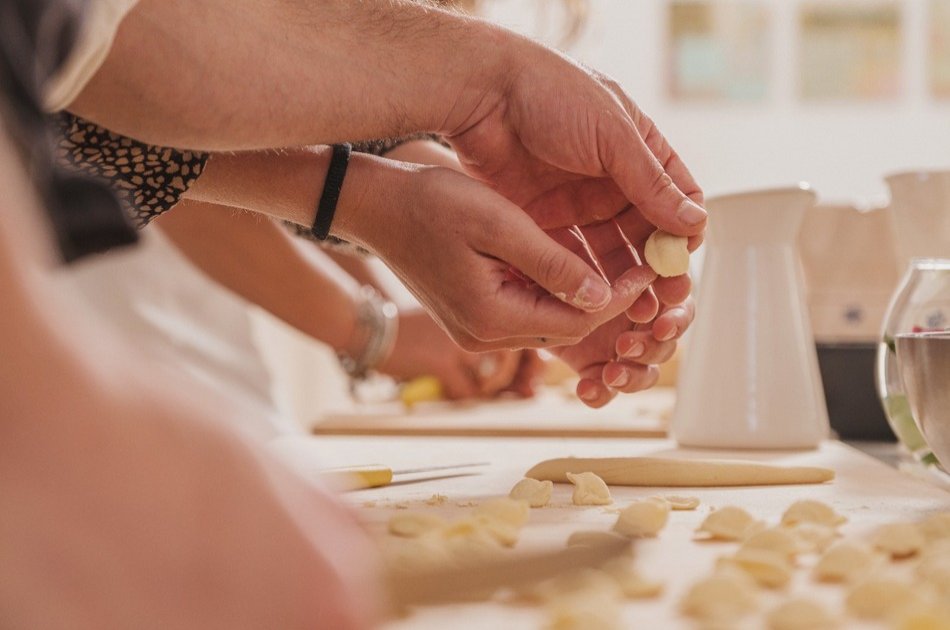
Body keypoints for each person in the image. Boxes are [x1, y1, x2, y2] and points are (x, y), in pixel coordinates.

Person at [50, 0, 705, 405]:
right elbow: (105, 64)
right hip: (82, 360)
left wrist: (411, 187)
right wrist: (374, 327)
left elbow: (140, 83)